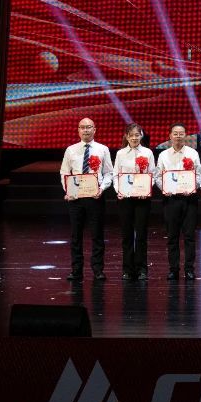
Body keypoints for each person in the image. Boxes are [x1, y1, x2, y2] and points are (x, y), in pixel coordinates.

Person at [59, 118, 114, 283]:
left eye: (89, 127)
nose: (86, 130)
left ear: (94, 129)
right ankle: (76, 271)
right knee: (76, 235)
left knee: (97, 235)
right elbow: (64, 172)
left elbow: (108, 173)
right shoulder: (71, 150)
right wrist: (68, 191)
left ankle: (98, 270)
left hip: (95, 197)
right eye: (82, 127)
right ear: (78, 130)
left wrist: (101, 188)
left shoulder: (103, 149)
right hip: (76, 198)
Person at [155, 124, 201, 280]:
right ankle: (173, 269)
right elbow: (158, 176)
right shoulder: (163, 155)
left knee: (189, 236)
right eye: (175, 133)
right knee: (172, 236)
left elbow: (199, 174)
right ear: (170, 136)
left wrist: (193, 186)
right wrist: (165, 188)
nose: (178, 136)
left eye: (181, 133)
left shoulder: (193, 153)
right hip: (171, 200)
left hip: (189, 199)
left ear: (185, 135)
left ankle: (189, 269)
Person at [115, 123, 156, 281]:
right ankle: (127, 269)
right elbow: (116, 175)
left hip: (142, 199)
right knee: (127, 235)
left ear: (141, 136)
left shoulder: (147, 153)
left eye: (137, 135)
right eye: (131, 135)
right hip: (125, 199)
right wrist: (119, 190)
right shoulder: (120, 154)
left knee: (141, 234)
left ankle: (141, 269)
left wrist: (146, 189)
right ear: (126, 137)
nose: (134, 138)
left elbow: (152, 174)